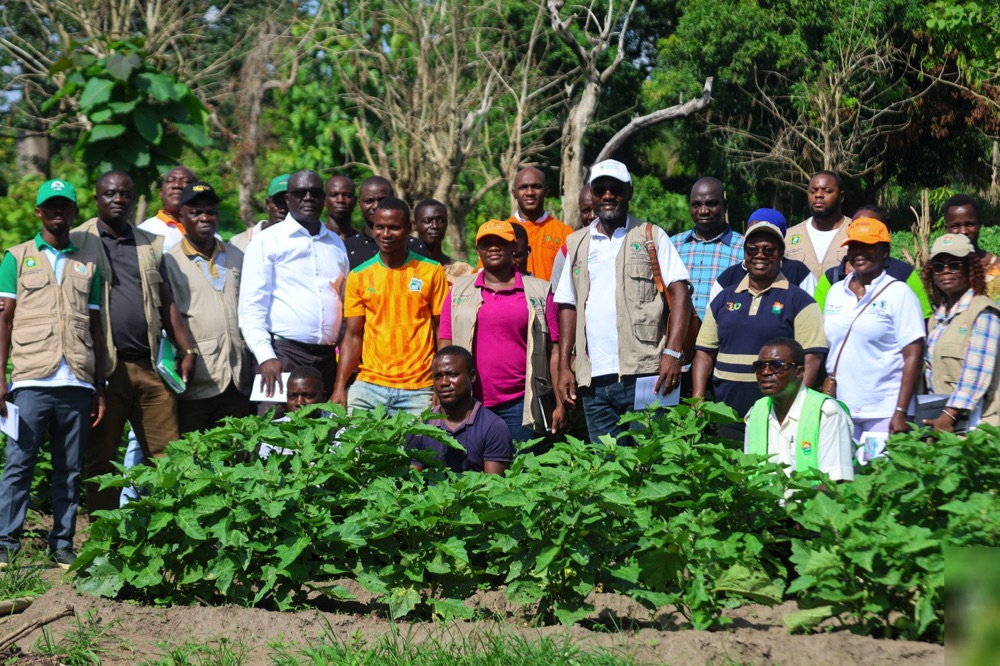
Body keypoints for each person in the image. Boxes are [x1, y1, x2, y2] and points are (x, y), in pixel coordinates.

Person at [69, 171, 198, 514]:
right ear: (97, 199)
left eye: (125, 194)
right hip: (104, 371)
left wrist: (187, 349)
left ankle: (169, 539)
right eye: (110, 194)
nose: (119, 200)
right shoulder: (76, 241)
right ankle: (104, 542)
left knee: (169, 459)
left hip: (149, 365)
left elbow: (167, 301)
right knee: (102, 460)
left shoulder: (148, 243)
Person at [0, 179, 106, 568]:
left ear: (75, 213)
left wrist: (99, 384)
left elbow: (95, 325)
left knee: (71, 467)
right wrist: (1, 377)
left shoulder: (87, 263)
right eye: (51, 206)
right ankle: (5, 543)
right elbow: (4, 320)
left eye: (65, 206)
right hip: (30, 378)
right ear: (39, 212)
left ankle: (62, 543)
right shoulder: (16, 257)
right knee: (19, 462)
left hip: (77, 379)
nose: (58, 212)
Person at [555, 160, 693, 443]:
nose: (608, 195)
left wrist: (673, 353)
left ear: (628, 192)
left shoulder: (650, 236)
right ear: (592, 195)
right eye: (601, 189)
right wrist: (564, 367)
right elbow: (567, 305)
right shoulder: (576, 243)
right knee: (607, 467)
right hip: (593, 379)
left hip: (647, 373)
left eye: (615, 189)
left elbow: (680, 292)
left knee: (652, 460)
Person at [439, 219, 565, 443]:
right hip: (469, 402)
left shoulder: (540, 291)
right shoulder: (459, 290)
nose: (493, 248)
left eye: (501, 242)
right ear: (478, 250)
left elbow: (553, 350)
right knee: (469, 473)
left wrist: (558, 402)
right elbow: (446, 342)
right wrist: (440, 391)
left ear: (513, 247)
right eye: (486, 243)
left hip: (521, 403)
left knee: (522, 472)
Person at [693, 220, 827, 427]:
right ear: (745, 255)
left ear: (781, 253)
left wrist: (798, 405)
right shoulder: (724, 297)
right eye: (752, 249)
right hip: (725, 412)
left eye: (769, 250)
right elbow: (704, 352)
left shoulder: (799, 300)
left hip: (777, 413)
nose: (760, 255)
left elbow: (812, 357)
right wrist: (698, 398)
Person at [238, 170, 350, 412]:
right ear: (288, 199)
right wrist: (266, 357)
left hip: (327, 358)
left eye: (315, 193)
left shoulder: (336, 243)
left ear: (323, 199)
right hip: (282, 356)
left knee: (324, 437)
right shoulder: (267, 241)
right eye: (300, 193)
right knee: (273, 435)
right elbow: (250, 307)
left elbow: (343, 299)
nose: (308, 198)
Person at [332, 198, 448, 414]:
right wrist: (340, 386)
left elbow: (442, 330)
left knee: (419, 448)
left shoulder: (431, 271)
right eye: (380, 227)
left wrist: (439, 382)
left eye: (394, 228)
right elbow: (353, 336)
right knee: (354, 446)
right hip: (368, 387)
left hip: (419, 388)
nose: (385, 234)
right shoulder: (359, 276)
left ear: (409, 228)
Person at [822, 217, 925, 438]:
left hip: (883, 411)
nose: (859, 252)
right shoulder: (836, 291)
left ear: (884, 252)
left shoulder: (899, 293)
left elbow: (914, 354)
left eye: (868, 246)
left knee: (877, 471)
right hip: (841, 407)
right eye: (854, 246)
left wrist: (901, 411)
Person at [163, 182, 251, 434]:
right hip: (196, 379)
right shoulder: (170, 261)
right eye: (196, 212)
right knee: (194, 461)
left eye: (210, 211)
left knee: (235, 458)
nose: (205, 218)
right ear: (181, 217)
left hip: (236, 377)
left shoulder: (236, 256)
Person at [744, 338, 854, 481]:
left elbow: (835, 482)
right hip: (766, 502)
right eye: (759, 366)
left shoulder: (826, 412)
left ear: (799, 372)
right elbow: (749, 477)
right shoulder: (756, 413)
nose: (765, 372)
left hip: (815, 502)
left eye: (776, 365)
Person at [921, 233, 1000, 431]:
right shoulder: (936, 319)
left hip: (979, 426)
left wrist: (948, 416)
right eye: (939, 267)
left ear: (970, 269)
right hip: (944, 424)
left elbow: (976, 372)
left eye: (954, 265)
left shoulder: (983, 313)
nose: (946, 271)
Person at [407, 346, 514, 475]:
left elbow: (493, 488)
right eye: (437, 377)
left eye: (452, 375)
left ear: (472, 376)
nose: (444, 382)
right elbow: (412, 485)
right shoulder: (420, 428)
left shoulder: (493, 427)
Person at [812, 206, 933, 318]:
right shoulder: (831, 280)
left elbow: (923, 319)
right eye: (857, 227)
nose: (862, 231)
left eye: (871, 229)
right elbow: (816, 325)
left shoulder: (903, 276)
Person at [670, 177, 745, 316]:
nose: (703, 211)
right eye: (696, 205)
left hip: (722, 335)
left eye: (711, 204)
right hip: (679, 335)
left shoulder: (744, 249)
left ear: (725, 206)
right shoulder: (673, 246)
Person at [710, 209, 816, 304]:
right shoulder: (728, 277)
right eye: (753, 235)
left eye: (768, 249)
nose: (760, 254)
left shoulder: (798, 272)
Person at [343, 176, 429, 269]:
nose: (376, 206)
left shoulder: (414, 246)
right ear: (360, 205)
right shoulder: (346, 247)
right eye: (369, 201)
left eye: (382, 200)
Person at [507, 167, 573, 281]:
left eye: (536, 187)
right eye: (523, 187)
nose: (529, 193)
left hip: (551, 298)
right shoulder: (502, 231)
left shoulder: (566, 234)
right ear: (514, 193)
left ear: (546, 191)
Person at [784, 171, 851, 277]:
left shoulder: (855, 232)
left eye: (827, 191)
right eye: (813, 191)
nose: (818, 195)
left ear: (841, 197)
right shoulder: (789, 236)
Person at [943, 194, 1000, 302]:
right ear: (947, 228)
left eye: (969, 224)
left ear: (979, 225)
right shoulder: (941, 271)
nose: (963, 231)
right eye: (956, 226)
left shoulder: (997, 269)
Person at [413, 199, 475, 284]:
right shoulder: (405, 269)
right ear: (414, 225)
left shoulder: (463, 273)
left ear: (446, 224)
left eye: (440, 220)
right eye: (427, 221)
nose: (435, 226)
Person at [138, 166, 198, 250]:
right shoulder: (144, 232)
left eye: (185, 181)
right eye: (170, 180)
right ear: (161, 193)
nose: (177, 185)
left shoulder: (211, 237)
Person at [549, 185, 595, 293]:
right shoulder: (569, 248)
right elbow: (556, 293)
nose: (592, 216)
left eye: (596, 209)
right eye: (586, 210)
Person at [230, 174, 290, 252]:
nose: (283, 208)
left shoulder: (305, 241)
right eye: (278, 202)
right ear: (268, 204)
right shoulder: (238, 243)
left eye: (289, 202)